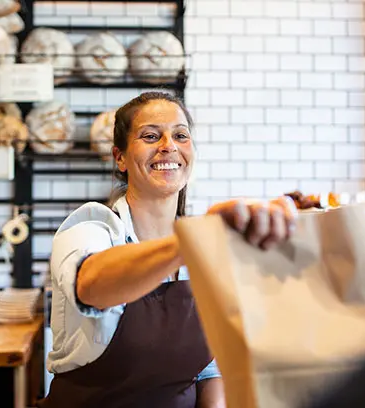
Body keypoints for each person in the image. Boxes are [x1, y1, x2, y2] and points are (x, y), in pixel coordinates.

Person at [37, 91, 298, 408]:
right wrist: (189, 241)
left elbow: (208, 371)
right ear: (120, 158)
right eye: (150, 136)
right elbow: (91, 286)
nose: (168, 145)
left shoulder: (204, 248)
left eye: (180, 135)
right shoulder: (91, 227)